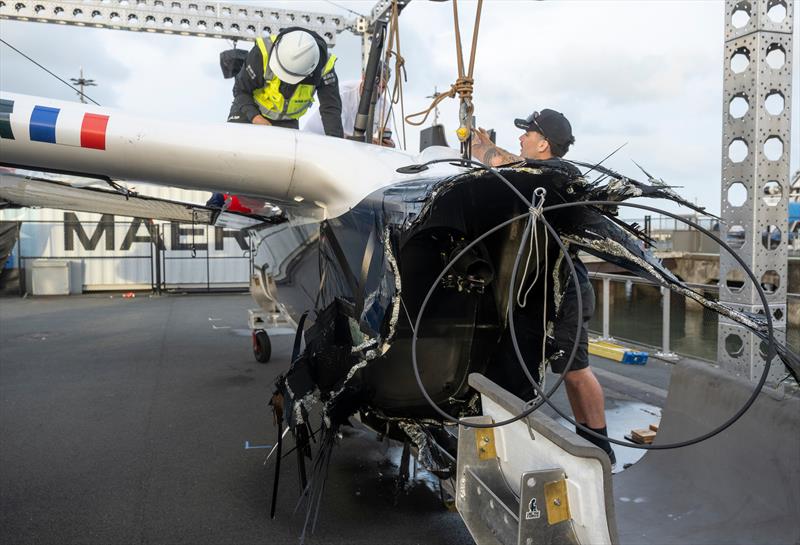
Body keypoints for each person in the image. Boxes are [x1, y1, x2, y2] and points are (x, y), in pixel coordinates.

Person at [471, 109, 616, 466]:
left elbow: (512, 164)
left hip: (565, 292)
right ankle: (587, 440)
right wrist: (491, 146)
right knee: (559, 367)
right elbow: (516, 162)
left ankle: (601, 449)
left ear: (543, 142)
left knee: (575, 369)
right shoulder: (541, 173)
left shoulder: (562, 175)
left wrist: (483, 150)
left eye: (527, 133)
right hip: (543, 292)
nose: (521, 138)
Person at [227, 27, 344, 137]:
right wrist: (255, 117)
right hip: (249, 110)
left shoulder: (325, 68)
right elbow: (240, 90)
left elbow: (330, 108)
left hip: (287, 122)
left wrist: (336, 145)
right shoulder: (263, 52)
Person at [302, 63, 395, 146]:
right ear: (364, 77)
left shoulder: (384, 106)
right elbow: (336, 134)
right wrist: (367, 142)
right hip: (314, 142)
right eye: (376, 86)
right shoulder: (342, 93)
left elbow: (385, 131)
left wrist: (388, 144)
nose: (378, 91)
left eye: (382, 87)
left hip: (345, 147)